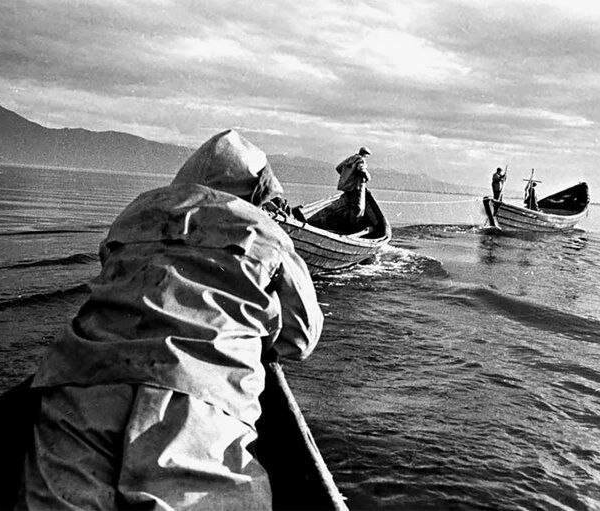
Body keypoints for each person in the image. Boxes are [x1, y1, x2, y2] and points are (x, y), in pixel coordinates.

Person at [19, 129, 324, 510]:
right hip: (195, 396)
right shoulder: (266, 233)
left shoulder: (132, 215)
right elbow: (300, 340)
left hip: (78, 385)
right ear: (257, 191)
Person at [335, 146, 371, 223]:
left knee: (348, 205)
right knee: (359, 207)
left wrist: (347, 176)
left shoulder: (351, 158)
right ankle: (354, 224)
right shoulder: (361, 160)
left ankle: (346, 222)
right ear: (365, 154)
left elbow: (338, 168)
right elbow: (361, 169)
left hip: (347, 187)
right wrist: (368, 177)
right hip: (357, 187)